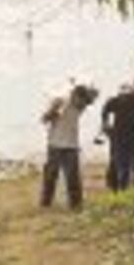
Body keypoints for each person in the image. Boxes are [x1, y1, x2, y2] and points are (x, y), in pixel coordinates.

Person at [40, 82, 98, 210]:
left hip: (71, 146)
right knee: (50, 176)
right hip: (55, 145)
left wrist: (88, 90)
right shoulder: (61, 102)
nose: (82, 103)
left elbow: (93, 96)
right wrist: (53, 111)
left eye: (83, 100)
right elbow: (44, 119)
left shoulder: (79, 107)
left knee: (72, 177)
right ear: (74, 96)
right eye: (79, 99)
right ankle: (45, 203)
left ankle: (76, 204)